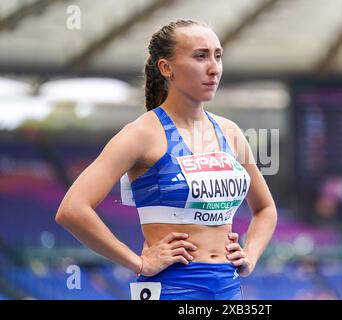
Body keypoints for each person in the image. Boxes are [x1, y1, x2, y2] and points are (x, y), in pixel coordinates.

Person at [55, 19, 277, 300]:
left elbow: (265, 208)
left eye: (217, 56)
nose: (213, 68)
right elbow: (72, 209)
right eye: (200, 56)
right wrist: (138, 263)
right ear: (166, 67)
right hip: (171, 288)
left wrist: (251, 256)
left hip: (228, 287)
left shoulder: (230, 132)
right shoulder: (141, 134)